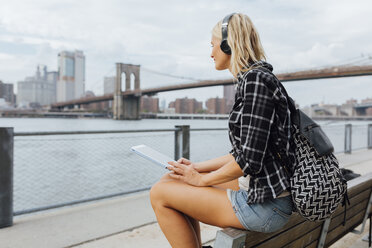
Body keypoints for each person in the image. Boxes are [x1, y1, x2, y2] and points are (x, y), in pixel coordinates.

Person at [150, 13, 295, 248]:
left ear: (229, 44)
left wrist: (201, 181)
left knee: (160, 193)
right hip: (267, 193)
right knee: (173, 179)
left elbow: (249, 161)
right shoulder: (257, 79)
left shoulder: (255, 82)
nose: (211, 53)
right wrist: (196, 169)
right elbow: (245, 153)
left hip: (265, 205)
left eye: (213, 46)